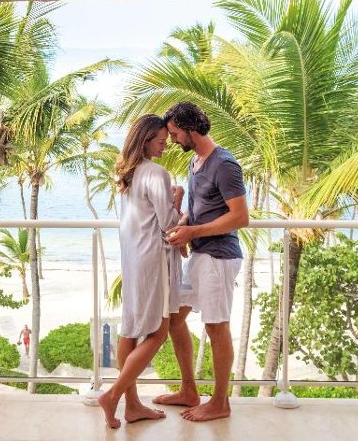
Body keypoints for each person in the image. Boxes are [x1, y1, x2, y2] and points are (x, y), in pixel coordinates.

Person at [154, 101, 249, 422]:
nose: (172, 140)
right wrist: (182, 223)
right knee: (174, 320)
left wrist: (193, 230)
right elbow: (200, 211)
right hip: (199, 256)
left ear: (191, 129)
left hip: (219, 258)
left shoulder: (224, 164)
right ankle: (189, 391)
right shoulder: (196, 162)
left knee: (216, 327)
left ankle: (221, 402)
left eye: (175, 134)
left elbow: (240, 217)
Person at [98, 114, 185, 429]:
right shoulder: (157, 173)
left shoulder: (129, 173)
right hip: (153, 260)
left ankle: (132, 405)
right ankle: (113, 395)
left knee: (130, 330)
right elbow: (169, 224)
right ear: (146, 140)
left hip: (133, 259)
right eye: (161, 141)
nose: (165, 146)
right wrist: (179, 201)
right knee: (159, 331)